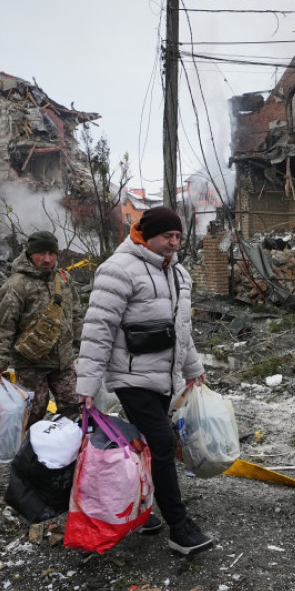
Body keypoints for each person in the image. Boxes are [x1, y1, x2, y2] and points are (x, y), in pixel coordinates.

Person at [75, 206, 213, 556]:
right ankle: (178, 527)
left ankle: (143, 510)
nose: (173, 242)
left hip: (164, 378)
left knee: (150, 447)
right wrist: (87, 386)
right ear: (146, 234)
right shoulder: (117, 270)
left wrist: (193, 369)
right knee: (163, 444)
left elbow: (183, 331)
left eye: (178, 236)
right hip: (130, 376)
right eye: (168, 236)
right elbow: (97, 330)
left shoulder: (179, 274)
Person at [0, 231, 83, 428]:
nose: (47, 259)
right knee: (34, 411)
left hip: (63, 360)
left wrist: (84, 346)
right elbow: (3, 326)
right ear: (30, 254)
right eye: (41, 253)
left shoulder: (64, 279)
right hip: (30, 363)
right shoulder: (16, 285)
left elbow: (75, 314)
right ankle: (29, 454)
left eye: (52, 253)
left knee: (74, 408)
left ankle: (71, 453)